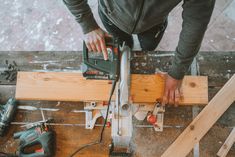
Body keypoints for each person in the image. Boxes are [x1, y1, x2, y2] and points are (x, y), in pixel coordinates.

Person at [63, 0, 215, 106]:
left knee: (147, 49)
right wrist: (87, 24)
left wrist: (177, 72)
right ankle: (126, 45)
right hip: (112, 17)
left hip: (153, 25)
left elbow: (196, 23)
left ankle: (140, 48)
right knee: (122, 44)